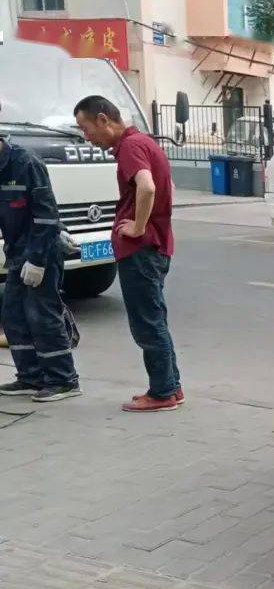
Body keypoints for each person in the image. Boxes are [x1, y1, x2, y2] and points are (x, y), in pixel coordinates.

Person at [73, 96, 182, 412]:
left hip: (142, 251)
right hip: (156, 246)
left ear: (103, 120)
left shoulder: (132, 148)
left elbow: (147, 188)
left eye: (86, 127)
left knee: (147, 324)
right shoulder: (144, 143)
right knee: (155, 319)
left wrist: (137, 226)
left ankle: (162, 393)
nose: (86, 136)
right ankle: (170, 387)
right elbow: (168, 186)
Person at [0, 134, 81, 401]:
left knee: (42, 314)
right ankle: (31, 376)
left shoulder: (26, 163)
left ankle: (63, 380)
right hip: (15, 251)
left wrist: (37, 260)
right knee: (13, 314)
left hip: (42, 249)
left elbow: (47, 216)